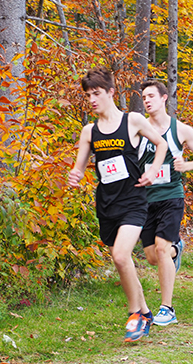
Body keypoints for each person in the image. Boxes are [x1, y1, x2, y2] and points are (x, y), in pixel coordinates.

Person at [68, 67, 168, 342]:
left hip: (133, 201)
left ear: (111, 92)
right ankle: (146, 313)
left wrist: (153, 171)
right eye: (88, 95)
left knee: (122, 257)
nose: (92, 99)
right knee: (124, 264)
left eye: (97, 93)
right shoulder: (89, 131)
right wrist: (75, 176)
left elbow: (161, 145)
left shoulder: (133, 121)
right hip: (106, 205)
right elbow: (79, 167)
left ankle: (134, 314)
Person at [138, 80, 193, 326]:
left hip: (171, 196)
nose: (146, 100)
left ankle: (167, 308)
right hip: (146, 199)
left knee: (160, 248)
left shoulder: (181, 129)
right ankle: (176, 249)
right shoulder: (139, 128)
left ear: (164, 98)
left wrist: (187, 165)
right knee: (152, 256)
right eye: (144, 97)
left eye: (151, 96)